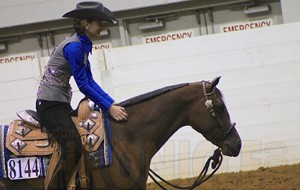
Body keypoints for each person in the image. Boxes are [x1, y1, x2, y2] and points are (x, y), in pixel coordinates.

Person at [36, 1, 128, 189]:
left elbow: (90, 81)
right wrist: (108, 107)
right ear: (86, 24)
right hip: (50, 105)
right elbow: (84, 86)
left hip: (59, 103)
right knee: (72, 143)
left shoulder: (82, 45)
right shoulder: (75, 48)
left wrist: (112, 103)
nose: (102, 27)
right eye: (99, 23)